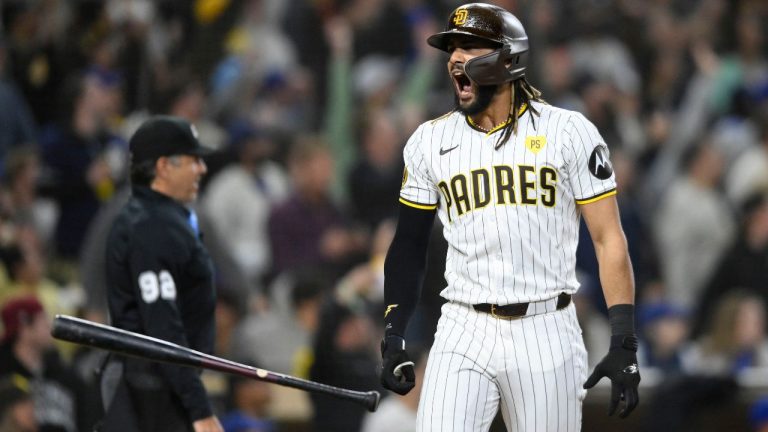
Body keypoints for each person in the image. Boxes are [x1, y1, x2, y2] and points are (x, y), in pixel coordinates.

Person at [378, 3, 640, 431]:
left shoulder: (568, 132)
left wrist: (624, 339)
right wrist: (393, 332)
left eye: (471, 47)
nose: (456, 58)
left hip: (546, 326)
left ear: (509, 58)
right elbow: (408, 244)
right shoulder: (429, 141)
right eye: (452, 49)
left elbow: (609, 238)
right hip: (463, 323)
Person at [101, 116, 223, 432]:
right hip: (146, 390)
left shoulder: (164, 219)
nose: (202, 169)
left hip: (161, 384)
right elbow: (162, 328)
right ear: (163, 167)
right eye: (192, 160)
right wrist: (199, 409)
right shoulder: (149, 227)